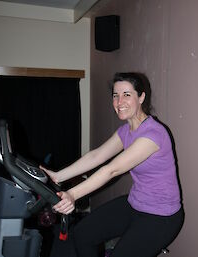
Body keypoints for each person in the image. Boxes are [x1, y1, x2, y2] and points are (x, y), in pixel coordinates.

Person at [42, 72, 184, 257]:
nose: (119, 101)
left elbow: (111, 170)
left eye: (127, 94)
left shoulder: (154, 134)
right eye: (115, 96)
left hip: (161, 216)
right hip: (136, 202)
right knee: (83, 234)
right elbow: (97, 156)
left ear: (141, 97)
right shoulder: (126, 130)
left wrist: (72, 194)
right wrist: (58, 175)